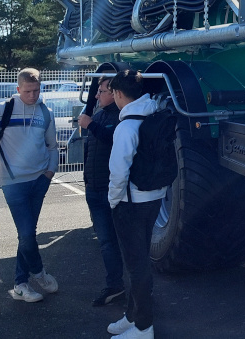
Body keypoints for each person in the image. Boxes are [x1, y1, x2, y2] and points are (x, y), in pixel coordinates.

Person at [0, 68, 59, 303]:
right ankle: (38, 273)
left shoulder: (45, 112)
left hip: (39, 180)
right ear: (18, 89)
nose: (33, 95)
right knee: (26, 234)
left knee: (26, 234)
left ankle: (20, 284)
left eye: (37, 90)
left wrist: (49, 173)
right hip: (12, 182)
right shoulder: (2, 110)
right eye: (28, 91)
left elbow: (52, 146)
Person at [104, 70, 164, 339]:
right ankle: (133, 316)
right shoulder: (154, 115)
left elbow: (118, 172)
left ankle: (144, 327)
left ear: (118, 94)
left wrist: (113, 201)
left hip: (131, 203)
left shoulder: (126, 127)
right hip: (154, 198)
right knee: (139, 263)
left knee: (136, 266)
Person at [78, 75, 125, 307]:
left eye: (102, 91)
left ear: (115, 92)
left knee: (124, 241)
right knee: (106, 241)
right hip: (94, 189)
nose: (97, 95)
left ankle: (132, 288)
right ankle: (115, 284)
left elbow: (113, 139)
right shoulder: (97, 116)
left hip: (112, 191)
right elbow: (90, 151)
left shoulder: (122, 117)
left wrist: (91, 126)